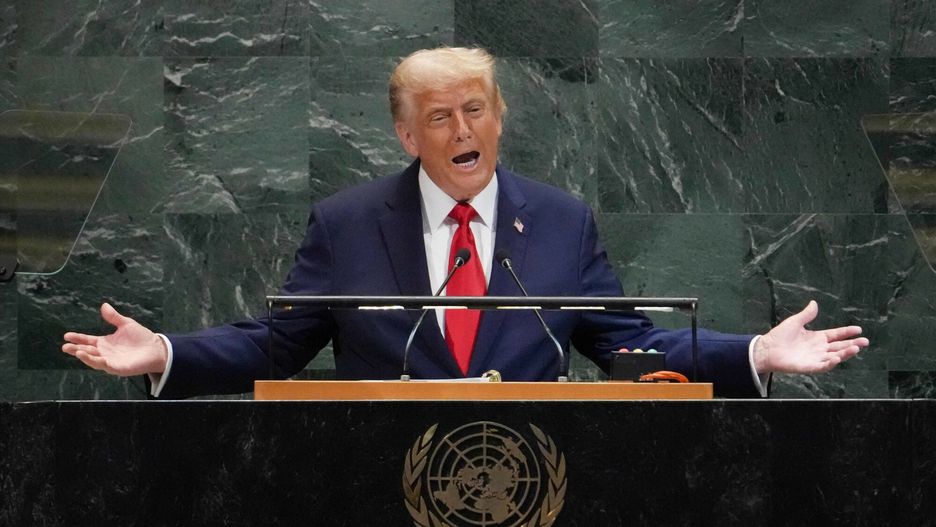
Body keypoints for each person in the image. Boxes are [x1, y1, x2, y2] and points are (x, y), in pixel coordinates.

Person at [61, 47, 868, 399]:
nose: (461, 132)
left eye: (474, 111)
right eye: (439, 118)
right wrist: (164, 352)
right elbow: (276, 343)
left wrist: (758, 352)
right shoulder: (347, 224)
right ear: (407, 136)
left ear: (499, 119)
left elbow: (631, 348)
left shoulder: (559, 221)